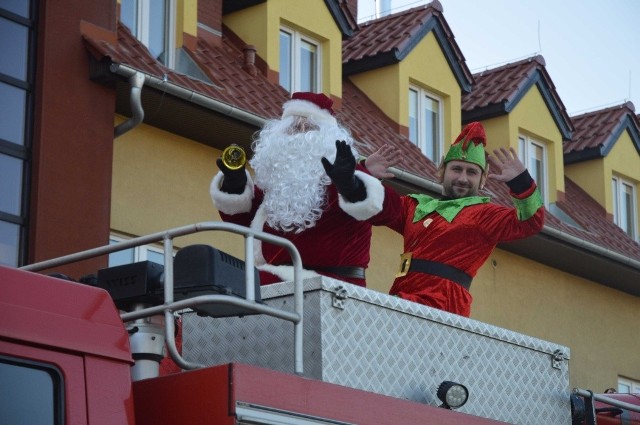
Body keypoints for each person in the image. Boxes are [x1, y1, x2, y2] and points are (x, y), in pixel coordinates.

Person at [322, 121, 545, 317]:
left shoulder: (486, 214)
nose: (463, 178)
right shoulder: (416, 206)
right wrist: (361, 176)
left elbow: (531, 222)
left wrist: (521, 182)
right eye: (456, 169)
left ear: (483, 179)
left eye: (472, 172)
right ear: (441, 170)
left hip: (445, 306)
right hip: (401, 297)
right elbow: (377, 206)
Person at [210, 92, 396, 287]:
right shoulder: (277, 185)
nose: (300, 132)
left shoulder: (344, 172)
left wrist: (352, 182)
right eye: (293, 127)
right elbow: (242, 218)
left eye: (310, 126)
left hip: (330, 286)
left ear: (329, 137)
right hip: (271, 284)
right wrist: (235, 184)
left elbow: (384, 211)